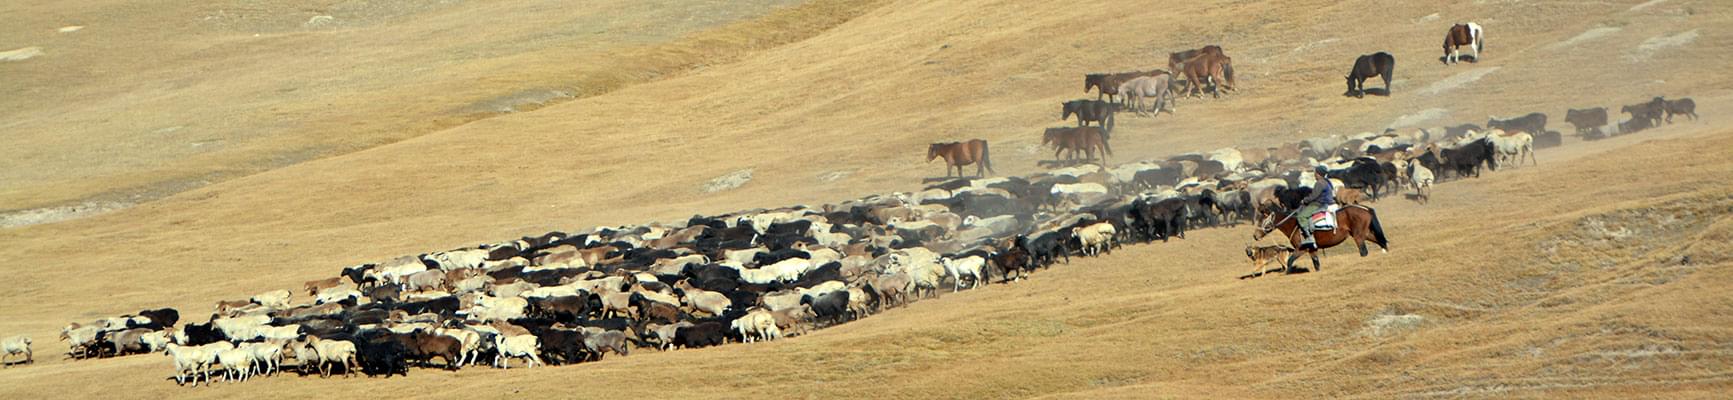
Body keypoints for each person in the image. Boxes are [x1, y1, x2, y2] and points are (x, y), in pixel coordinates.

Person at [1297, 165, 1336, 248]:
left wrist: (1304, 200)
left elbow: (1313, 196)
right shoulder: (1327, 181)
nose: (1314, 174)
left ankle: (1309, 237)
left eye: (1315, 173)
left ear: (1318, 174)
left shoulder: (1319, 183)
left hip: (1319, 204)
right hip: (1325, 203)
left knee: (1301, 216)